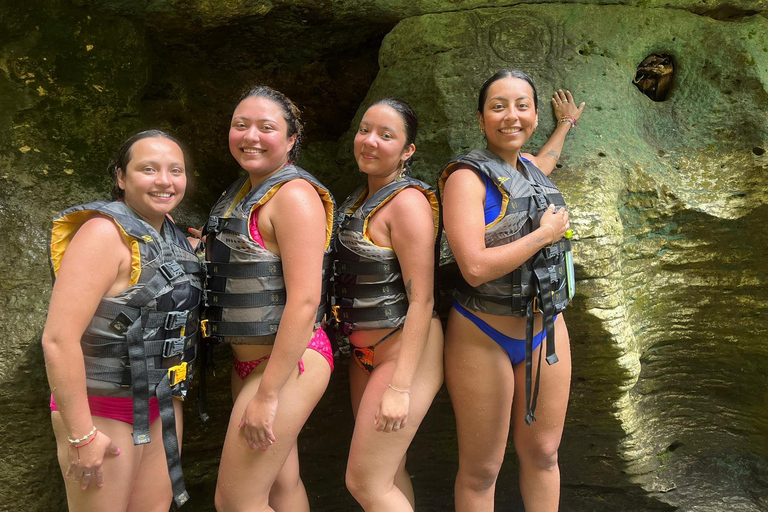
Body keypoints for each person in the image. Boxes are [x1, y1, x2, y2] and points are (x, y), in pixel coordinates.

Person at [439, 69, 585, 511]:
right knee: (482, 469)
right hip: (483, 332)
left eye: (522, 106)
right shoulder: (466, 177)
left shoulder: (529, 170)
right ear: (481, 119)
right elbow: (475, 267)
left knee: (543, 454)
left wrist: (566, 124)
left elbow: (546, 161)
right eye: (498, 106)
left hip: (547, 328)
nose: (511, 116)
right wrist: (543, 235)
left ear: (535, 115)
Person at [43, 130, 203, 511]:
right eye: (148, 169)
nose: (164, 180)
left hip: (160, 404)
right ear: (121, 177)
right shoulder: (102, 234)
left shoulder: (174, 236)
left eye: (175, 170)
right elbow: (58, 339)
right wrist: (82, 435)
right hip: (102, 407)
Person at [199, 86, 335, 512]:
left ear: (292, 139)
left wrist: (269, 394)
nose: (250, 136)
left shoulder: (293, 196)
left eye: (266, 127)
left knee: (236, 501)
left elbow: (305, 299)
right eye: (240, 125)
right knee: (282, 486)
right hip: (253, 363)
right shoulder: (245, 190)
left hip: (288, 363)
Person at [333, 98, 444, 511]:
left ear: (407, 150)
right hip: (365, 355)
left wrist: (400, 386)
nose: (370, 142)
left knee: (365, 483)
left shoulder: (407, 203)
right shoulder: (358, 200)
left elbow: (423, 298)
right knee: (388, 472)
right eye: (365, 130)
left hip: (404, 352)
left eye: (386, 135)